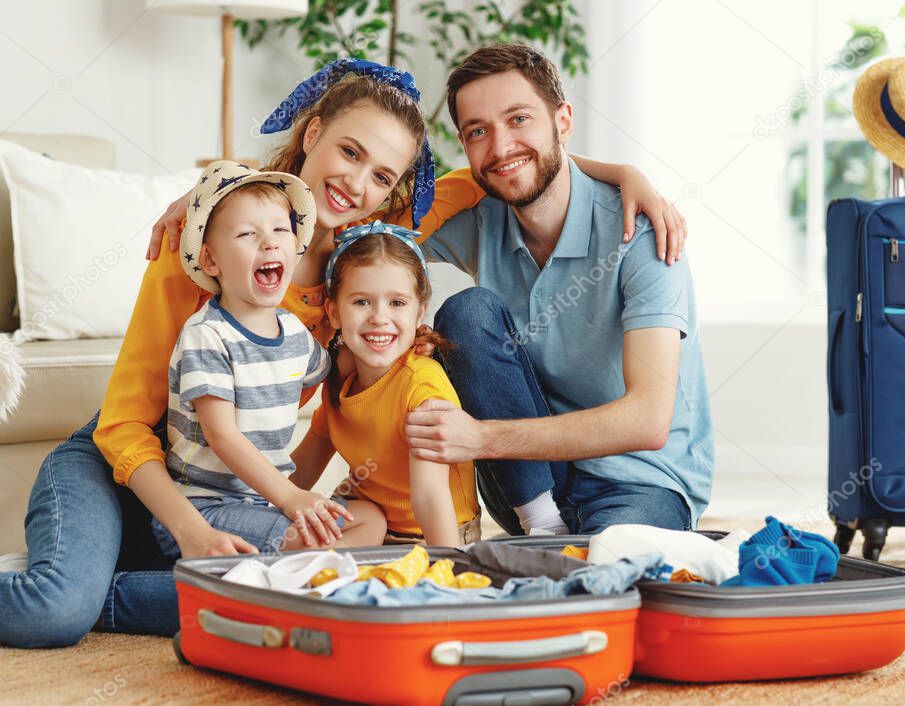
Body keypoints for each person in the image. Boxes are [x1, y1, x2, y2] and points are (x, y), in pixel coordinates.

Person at [0, 54, 682, 647]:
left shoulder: (362, 256)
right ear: (314, 131)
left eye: (383, 176)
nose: (358, 185)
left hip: (227, 491)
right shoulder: (205, 248)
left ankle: (116, 581)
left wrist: (623, 173)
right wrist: (189, 525)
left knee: (329, 576)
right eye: (351, 153)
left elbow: (501, 170)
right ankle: (87, 578)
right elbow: (123, 425)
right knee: (56, 613)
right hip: (127, 464)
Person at [403, 44, 715, 536]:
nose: (501, 148)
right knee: (468, 312)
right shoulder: (479, 220)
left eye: (519, 119)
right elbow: (367, 241)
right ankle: (542, 526)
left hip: (639, 482)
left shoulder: (643, 231)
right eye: (478, 132)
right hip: (529, 488)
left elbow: (648, 421)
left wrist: (479, 438)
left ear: (563, 121)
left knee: (603, 578)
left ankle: (551, 550)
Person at [150, 162, 387, 559]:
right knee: (314, 536)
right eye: (247, 234)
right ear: (211, 262)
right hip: (208, 508)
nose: (271, 243)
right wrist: (293, 497)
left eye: (281, 230)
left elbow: (339, 369)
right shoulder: (206, 335)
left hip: (265, 504)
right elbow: (222, 436)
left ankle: (289, 571)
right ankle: (297, 570)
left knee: (370, 519)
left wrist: (396, 341)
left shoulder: (293, 332)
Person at [298, 222, 479, 547]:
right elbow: (302, 472)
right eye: (361, 302)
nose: (379, 317)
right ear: (334, 312)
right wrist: (267, 510)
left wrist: (446, 571)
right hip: (368, 522)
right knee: (288, 529)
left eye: (397, 303)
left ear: (419, 312)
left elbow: (429, 497)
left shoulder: (421, 384)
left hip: (432, 539)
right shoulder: (340, 377)